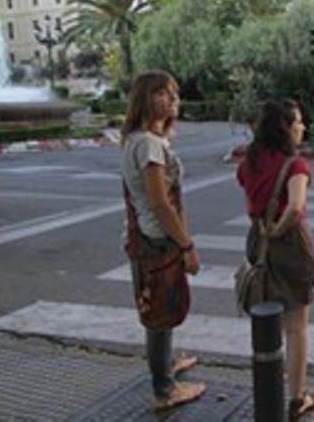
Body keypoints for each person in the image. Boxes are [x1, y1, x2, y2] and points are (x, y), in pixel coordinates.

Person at [120, 70, 206, 410]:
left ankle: (165, 365)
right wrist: (187, 245)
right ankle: (164, 389)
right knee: (159, 312)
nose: (172, 99)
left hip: (148, 234)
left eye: (174, 93)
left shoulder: (139, 140)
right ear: (145, 98)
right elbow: (160, 203)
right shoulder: (149, 145)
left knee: (159, 304)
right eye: (162, 93)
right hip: (159, 238)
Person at [236, 99, 314, 421]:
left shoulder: (249, 164)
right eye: (297, 121)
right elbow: (296, 207)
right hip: (290, 243)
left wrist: (264, 229)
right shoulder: (295, 165)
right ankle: (297, 399)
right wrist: (280, 228)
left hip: (257, 241)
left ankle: (268, 383)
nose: (303, 127)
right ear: (284, 127)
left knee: (267, 315)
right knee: (296, 326)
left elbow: (248, 206)